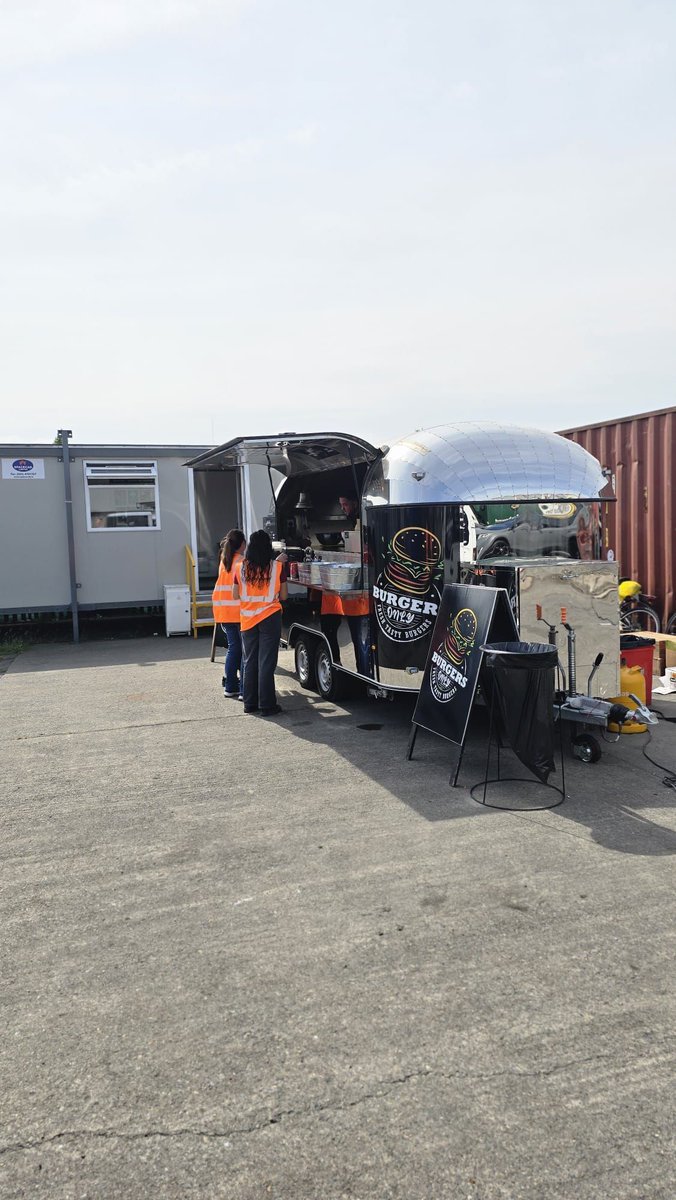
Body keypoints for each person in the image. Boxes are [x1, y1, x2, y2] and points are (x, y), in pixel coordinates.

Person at [233, 530, 288, 716]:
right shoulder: (277, 567)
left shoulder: (240, 567)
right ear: (268, 547)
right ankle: (267, 705)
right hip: (270, 617)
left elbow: (235, 595)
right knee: (266, 662)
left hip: (248, 619)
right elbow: (284, 596)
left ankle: (249, 704)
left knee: (249, 661)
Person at [212, 529, 246, 698]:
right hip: (238, 612)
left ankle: (231, 686)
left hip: (224, 612)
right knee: (242, 650)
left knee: (233, 648)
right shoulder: (242, 561)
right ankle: (242, 688)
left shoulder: (224, 561)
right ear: (242, 544)